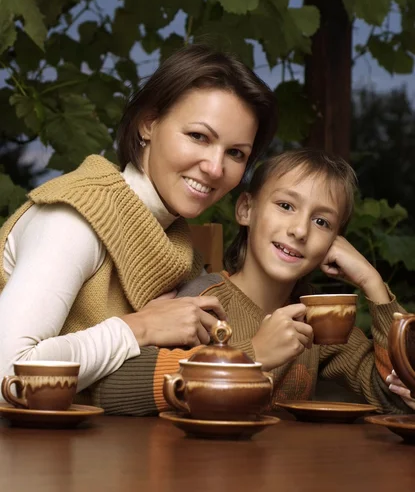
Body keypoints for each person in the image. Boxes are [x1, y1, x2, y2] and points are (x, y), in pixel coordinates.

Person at [0, 44, 277, 403]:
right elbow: (9, 375)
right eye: (198, 136)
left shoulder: (177, 248)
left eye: (236, 153)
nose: (215, 167)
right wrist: (140, 327)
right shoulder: (74, 218)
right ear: (148, 123)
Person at [91, 148, 414, 415]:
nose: (300, 230)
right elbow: (111, 389)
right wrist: (253, 355)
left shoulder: (317, 322)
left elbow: (396, 400)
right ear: (246, 209)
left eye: (321, 221)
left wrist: (372, 283)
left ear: (334, 243)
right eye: (286, 206)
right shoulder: (203, 301)